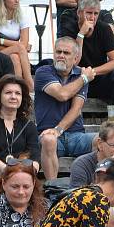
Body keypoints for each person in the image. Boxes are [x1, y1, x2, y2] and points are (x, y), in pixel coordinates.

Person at [35, 36, 96, 181]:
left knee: (103, 140)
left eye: (66, 53)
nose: (61, 55)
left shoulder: (79, 75)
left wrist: (59, 129)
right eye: (58, 52)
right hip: (49, 134)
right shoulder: (43, 72)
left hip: (76, 136)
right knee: (49, 139)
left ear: (75, 59)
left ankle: (96, 188)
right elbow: (62, 94)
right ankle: (52, 188)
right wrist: (85, 78)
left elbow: (76, 110)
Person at [0, 75, 40, 192]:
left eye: (18, 93)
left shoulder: (29, 126)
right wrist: (10, 174)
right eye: (8, 92)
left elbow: (35, 159)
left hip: (22, 184)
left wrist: (21, 177)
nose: (13, 96)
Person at [60, 0, 114, 104]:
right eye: (89, 13)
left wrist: (91, 72)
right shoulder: (69, 27)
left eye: (96, 14)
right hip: (75, 77)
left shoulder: (104, 29)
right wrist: (81, 35)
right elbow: (73, 62)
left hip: (97, 76)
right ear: (79, 13)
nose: (92, 17)